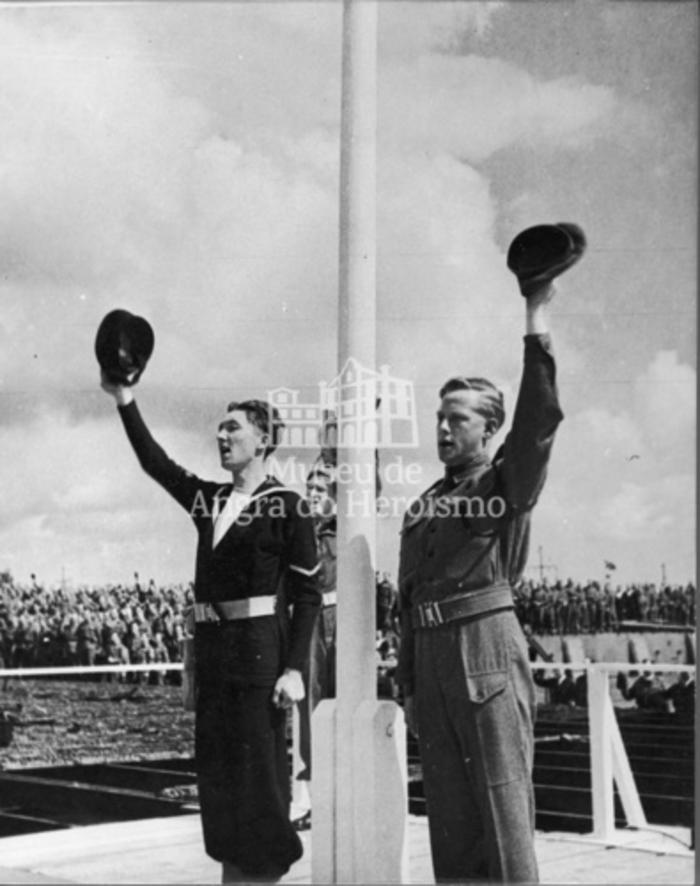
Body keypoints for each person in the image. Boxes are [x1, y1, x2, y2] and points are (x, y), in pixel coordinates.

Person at [396, 223, 584, 882]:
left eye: (459, 419)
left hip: (486, 652)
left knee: (503, 814)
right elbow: (406, 601)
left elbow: (537, 422)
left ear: (489, 428)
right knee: (450, 823)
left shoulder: (504, 486)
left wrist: (536, 318)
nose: (444, 428)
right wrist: (410, 684)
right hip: (433, 665)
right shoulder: (423, 505)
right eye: (440, 418)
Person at [101, 374, 321, 883]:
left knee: (259, 789)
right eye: (220, 428)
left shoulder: (288, 505)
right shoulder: (210, 501)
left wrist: (294, 669)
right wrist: (123, 398)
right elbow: (156, 464)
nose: (221, 436)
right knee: (221, 791)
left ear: (263, 440)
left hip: (259, 664)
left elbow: (308, 595)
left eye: (233, 428)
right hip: (214, 664)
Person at [294, 462, 337, 830]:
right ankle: (318, 802)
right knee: (311, 708)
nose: (311, 495)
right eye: (308, 489)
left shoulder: (348, 527)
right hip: (310, 622)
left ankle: (346, 800)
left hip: (342, 621)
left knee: (346, 703)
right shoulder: (298, 531)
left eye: (320, 490)